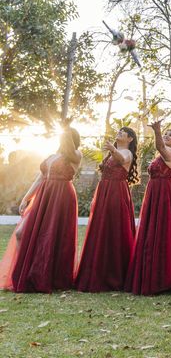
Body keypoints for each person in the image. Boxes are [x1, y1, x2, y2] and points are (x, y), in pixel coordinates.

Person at [1, 124, 81, 292]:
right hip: (44, 195)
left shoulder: (75, 156)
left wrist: (66, 131)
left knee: (51, 237)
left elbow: (72, 151)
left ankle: (45, 276)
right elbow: (40, 177)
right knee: (21, 233)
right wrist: (26, 197)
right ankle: (25, 271)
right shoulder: (52, 155)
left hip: (62, 196)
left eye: (65, 136)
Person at [75, 127, 139, 292]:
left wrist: (112, 149)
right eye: (118, 131)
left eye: (123, 132)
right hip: (104, 192)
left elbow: (121, 159)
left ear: (130, 139)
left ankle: (116, 275)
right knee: (101, 231)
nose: (119, 133)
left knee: (114, 230)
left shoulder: (127, 153)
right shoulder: (113, 152)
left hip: (117, 194)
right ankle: (98, 271)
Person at [125, 120, 171, 295]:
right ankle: (148, 273)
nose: (166, 137)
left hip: (164, 194)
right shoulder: (161, 155)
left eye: (170, 136)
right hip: (154, 192)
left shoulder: (170, 153)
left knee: (161, 231)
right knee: (151, 229)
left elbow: (159, 146)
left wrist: (157, 131)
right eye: (165, 134)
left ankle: (161, 277)